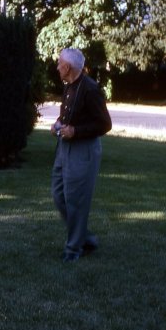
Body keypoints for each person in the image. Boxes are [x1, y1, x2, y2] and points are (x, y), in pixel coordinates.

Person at [51, 48, 112, 263]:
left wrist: (75, 131)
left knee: (75, 201)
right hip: (64, 148)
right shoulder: (68, 86)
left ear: (67, 67)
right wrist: (59, 124)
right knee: (59, 195)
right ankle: (85, 237)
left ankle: (73, 249)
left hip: (83, 150)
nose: (57, 66)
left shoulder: (90, 89)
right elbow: (68, 115)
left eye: (59, 63)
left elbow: (105, 124)